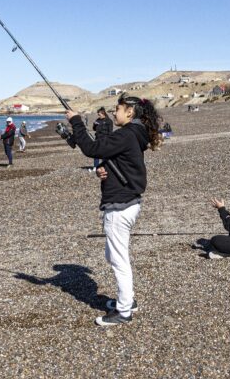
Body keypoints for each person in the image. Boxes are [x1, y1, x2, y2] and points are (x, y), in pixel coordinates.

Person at [65, 94, 162, 326]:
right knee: (112, 254)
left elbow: (91, 148)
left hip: (120, 206)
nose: (114, 112)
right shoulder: (136, 134)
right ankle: (126, 299)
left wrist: (76, 121)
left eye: (117, 108)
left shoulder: (127, 134)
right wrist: (104, 169)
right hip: (126, 202)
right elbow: (123, 161)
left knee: (119, 260)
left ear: (130, 111)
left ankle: (124, 311)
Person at [90, 107, 114, 172]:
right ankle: (95, 167)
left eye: (99, 114)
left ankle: (105, 167)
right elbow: (94, 129)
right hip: (97, 139)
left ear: (103, 113)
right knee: (96, 153)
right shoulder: (98, 120)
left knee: (104, 154)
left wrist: (109, 140)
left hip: (105, 139)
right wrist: (94, 125)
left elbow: (110, 132)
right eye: (98, 114)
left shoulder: (109, 121)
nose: (98, 115)